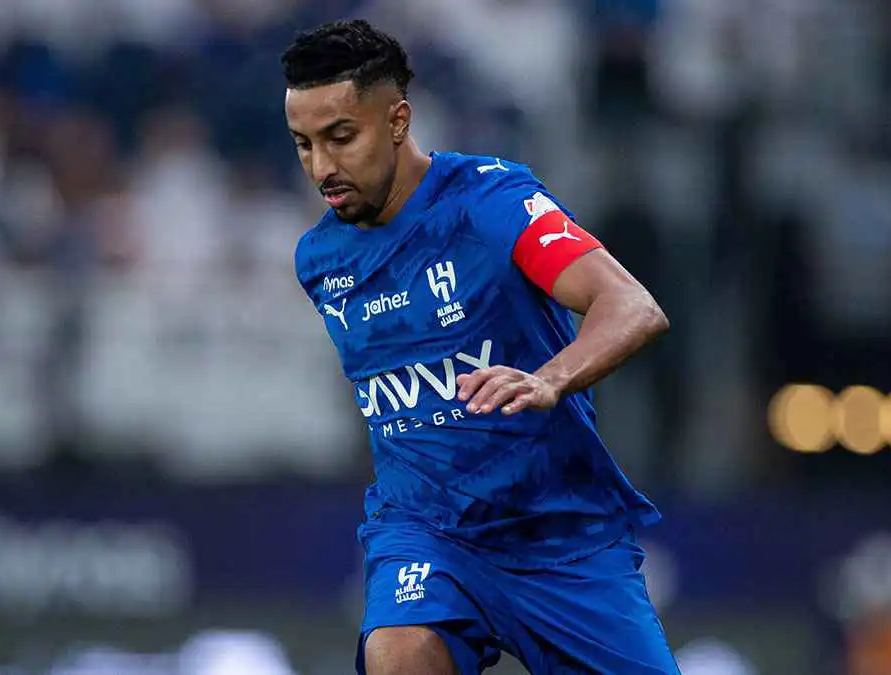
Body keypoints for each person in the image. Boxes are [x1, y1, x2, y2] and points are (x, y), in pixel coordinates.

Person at [283, 19, 678, 675]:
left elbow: (632, 306)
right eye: (304, 144)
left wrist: (550, 378)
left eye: (341, 137)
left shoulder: (491, 202)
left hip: (558, 532)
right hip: (426, 531)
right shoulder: (319, 259)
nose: (322, 167)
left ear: (398, 121)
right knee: (399, 651)